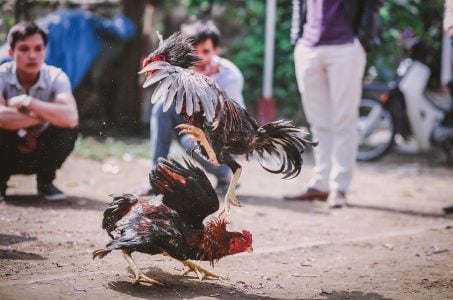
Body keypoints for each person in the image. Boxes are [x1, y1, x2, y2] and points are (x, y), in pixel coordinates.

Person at [284, 0, 382, 208]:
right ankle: (321, 183)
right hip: (308, 47)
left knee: (344, 119)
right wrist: (297, 37)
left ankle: (339, 187)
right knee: (318, 121)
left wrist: (363, 40)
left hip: (346, 46)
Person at [144, 19, 245, 195]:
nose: (199, 57)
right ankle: (158, 176)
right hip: (195, 125)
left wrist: (204, 85)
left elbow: (227, 121)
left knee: (191, 141)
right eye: (194, 51)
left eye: (205, 51)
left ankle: (227, 173)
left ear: (216, 50)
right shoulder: (182, 70)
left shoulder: (230, 76)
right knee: (162, 107)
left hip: (226, 137)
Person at [0, 21, 79, 201]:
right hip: (7, 150)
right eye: (24, 49)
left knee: (68, 130)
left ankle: (45, 181)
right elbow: (1, 118)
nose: (32, 55)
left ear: (45, 51)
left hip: (40, 151)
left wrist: (28, 102)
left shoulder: (56, 77)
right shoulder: (1, 75)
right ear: (11, 52)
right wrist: (47, 116)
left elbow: (71, 117)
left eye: (38, 48)